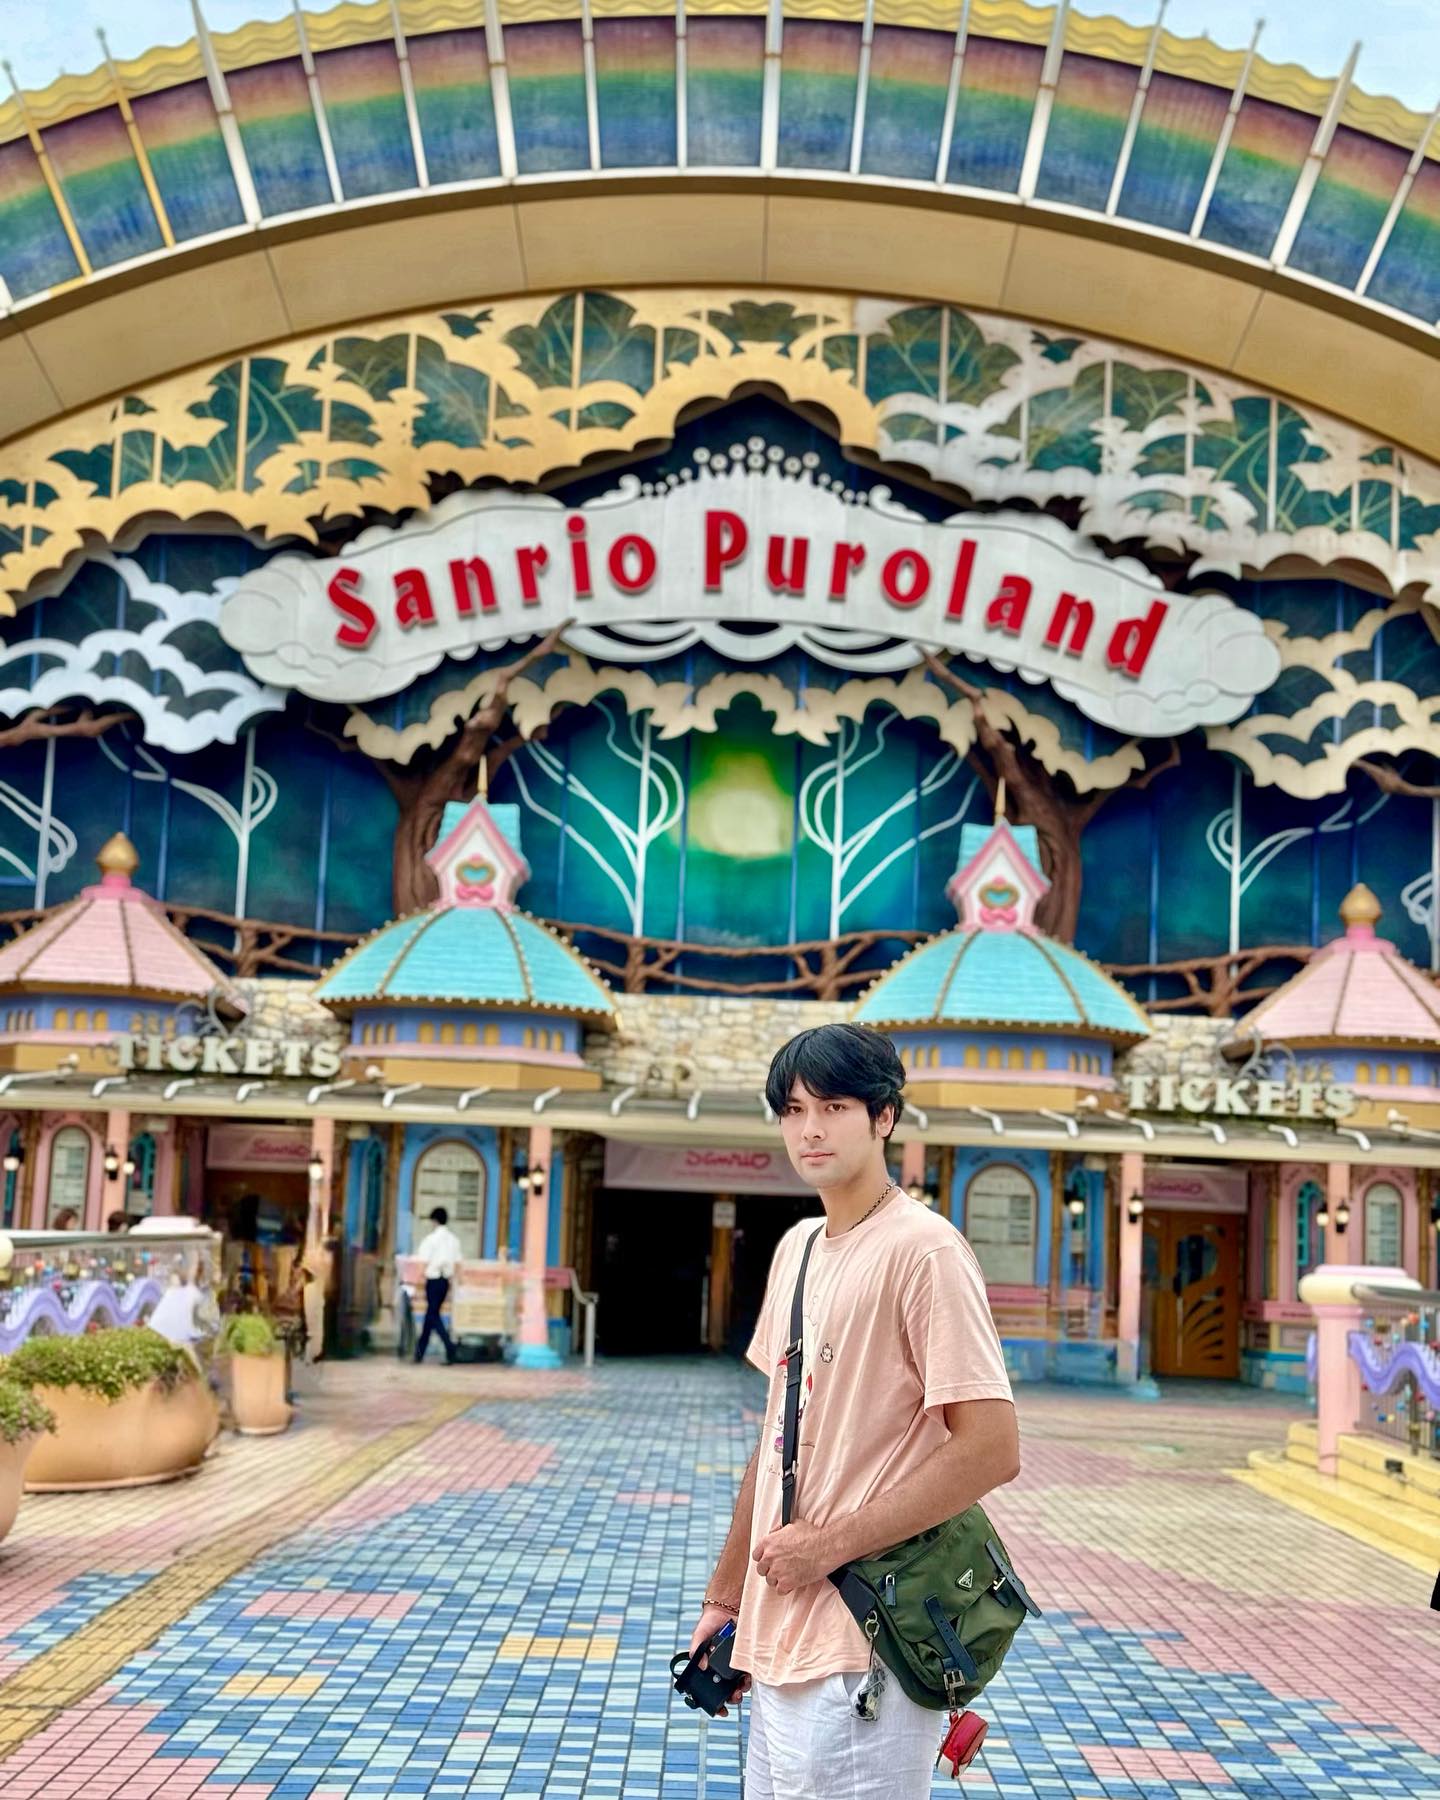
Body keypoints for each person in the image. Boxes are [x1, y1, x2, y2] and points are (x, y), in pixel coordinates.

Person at [688, 1022, 1020, 1799]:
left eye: (834, 1107)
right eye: (794, 1109)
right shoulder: (799, 1248)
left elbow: (991, 1448)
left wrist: (826, 1547)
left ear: (884, 1117)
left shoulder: (925, 1250)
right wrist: (726, 1600)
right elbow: (777, 1439)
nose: (810, 1129)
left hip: (866, 1637)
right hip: (778, 1632)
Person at [412, 1205, 462, 1366]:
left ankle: (449, 1345)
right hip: (445, 1281)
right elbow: (458, 1263)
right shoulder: (454, 1240)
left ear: (434, 1221)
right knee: (431, 1315)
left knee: (433, 1315)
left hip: (433, 1280)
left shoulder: (430, 1240)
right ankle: (419, 1353)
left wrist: (418, 1280)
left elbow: (424, 1262)